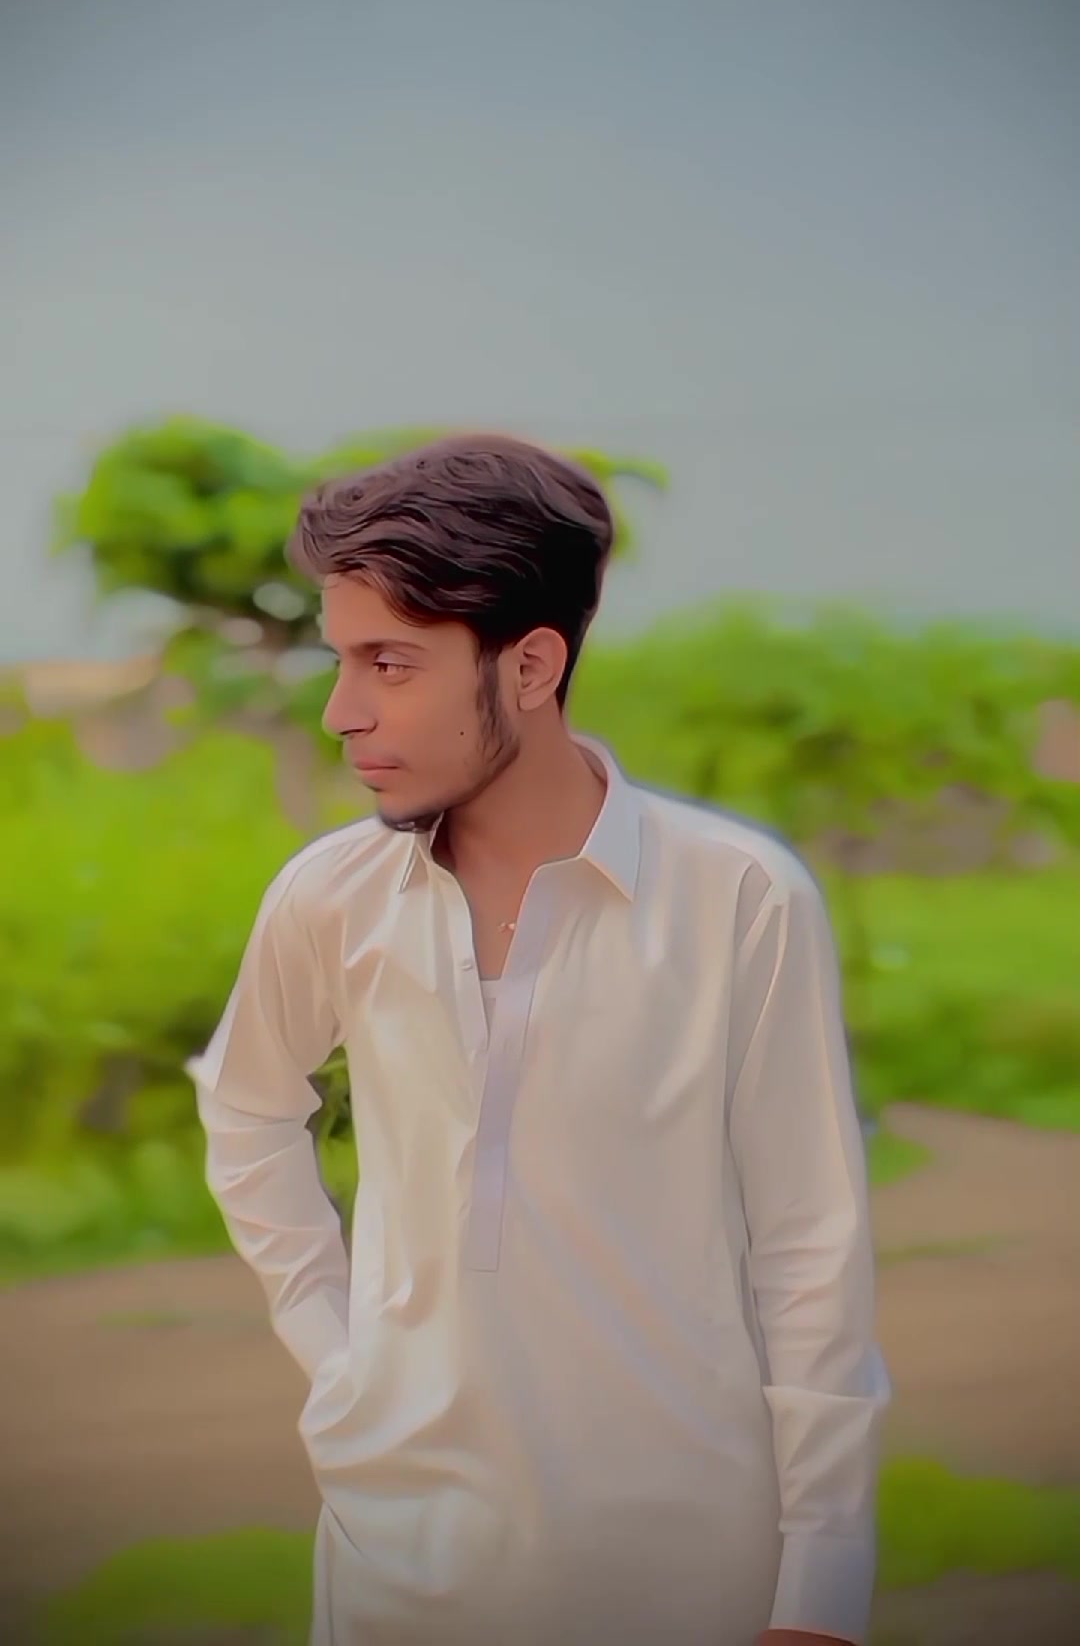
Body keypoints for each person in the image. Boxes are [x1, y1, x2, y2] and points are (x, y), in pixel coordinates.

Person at [187, 433, 890, 1646]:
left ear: (530, 665)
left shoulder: (738, 897)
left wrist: (821, 1581)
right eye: (341, 661)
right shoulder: (330, 897)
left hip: (690, 1562)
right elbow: (247, 1108)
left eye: (389, 664)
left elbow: (809, 1241)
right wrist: (338, 1353)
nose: (344, 712)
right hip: (396, 1556)